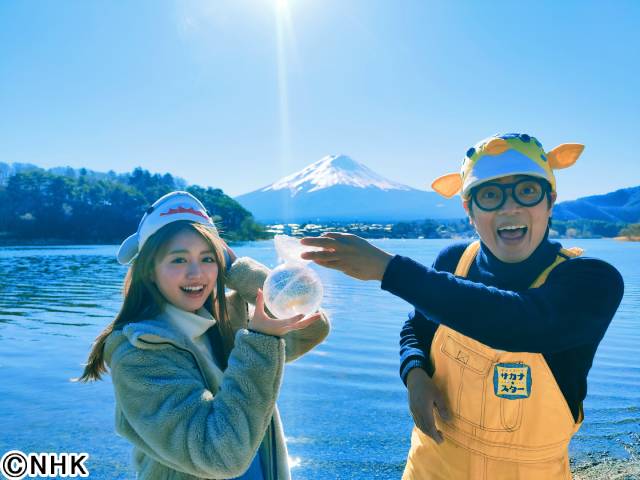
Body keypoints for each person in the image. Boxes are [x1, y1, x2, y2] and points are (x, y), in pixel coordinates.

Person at [301, 133, 624, 479]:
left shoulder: (591, 281)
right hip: (431, 465)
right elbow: (417, 328)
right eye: (489, 195)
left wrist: (390, 270)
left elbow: (522, 322)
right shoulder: (454, 262)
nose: (509, 207)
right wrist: (414, 373)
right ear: (469, 210)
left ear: (550, 202)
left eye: (527, 191)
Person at [78, 191, 330, 480]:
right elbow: (220, 456)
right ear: (149, 271)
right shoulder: (137, 353)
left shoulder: (225, 322)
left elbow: (312, 326)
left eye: (207, 258)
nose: (196, 273)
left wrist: (239, 271)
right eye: (178, 260)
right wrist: (260, 342)